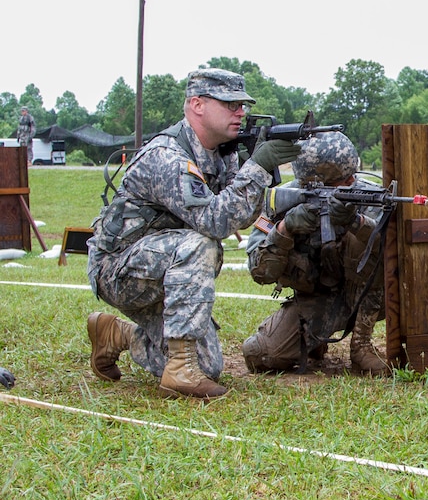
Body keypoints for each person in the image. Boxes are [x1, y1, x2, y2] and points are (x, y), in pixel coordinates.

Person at [86, 68, 300, 399]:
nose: (240, 112)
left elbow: (239, 219)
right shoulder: (166, 156)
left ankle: (117, 334)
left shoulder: (221, 154)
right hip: (120, 270)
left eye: (242, 105)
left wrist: (257, 171)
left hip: (167, 268)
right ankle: (179, 372)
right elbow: (214, 223)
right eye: (230, 105)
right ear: (197, 105)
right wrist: (256, 167)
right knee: (201, 243)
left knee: (210, 365)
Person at [242, 131, 389, 375]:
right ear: (311, 183)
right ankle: (313, 339)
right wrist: (285, 229)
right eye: (342, 179)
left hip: (365, 299)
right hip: (314, 301)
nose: (352, 181)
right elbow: (261, 272)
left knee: (363, 240)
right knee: (260, 355)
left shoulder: (370, 196)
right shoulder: (281, 200)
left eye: (351, 175)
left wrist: (356, 222)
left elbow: (391, 253)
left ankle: (361, 346)